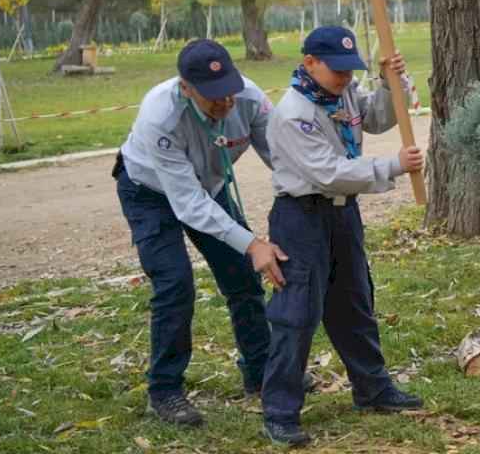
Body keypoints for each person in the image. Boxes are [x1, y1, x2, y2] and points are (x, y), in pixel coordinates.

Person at [260, 26, 424, 446]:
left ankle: (372, 389)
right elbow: (328, 172)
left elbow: (380, 116)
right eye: (338, 70)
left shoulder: (343, 93)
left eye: (351, 70)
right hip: (301, 217)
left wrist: (394, 83)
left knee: (354, 301)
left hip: (342, 214)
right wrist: (392, 165)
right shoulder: (294, 112)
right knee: (297, 313)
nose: (346, 78)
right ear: (309, 62)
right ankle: (280, 411)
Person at [114, 39, 287, 426]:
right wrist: (253, 243)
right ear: (185, 87)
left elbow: (282, 157)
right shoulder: (160, 116)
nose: (225, 102)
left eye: (228, 89)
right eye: (212, 96)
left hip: (208, 187)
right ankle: (165, 390)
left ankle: (260, 373)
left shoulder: (251, 99)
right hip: (150, 193)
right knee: (175, 284)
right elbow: (188, 205)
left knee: (242, 276)